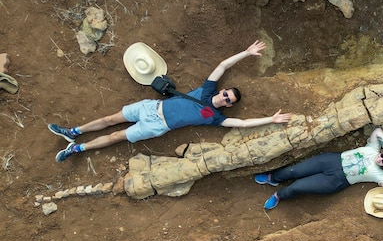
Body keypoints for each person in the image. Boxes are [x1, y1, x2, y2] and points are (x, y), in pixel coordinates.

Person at [49, 41, 292, 162]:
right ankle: (73, 131)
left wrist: (271, 119)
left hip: (157, 126)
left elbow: (242, 123)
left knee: (116, 137)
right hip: (150, 107)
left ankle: (77, 148)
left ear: (228, 104)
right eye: (226, 92)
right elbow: (222, 66)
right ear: (223, 90)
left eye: (228, 99)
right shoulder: (207, 90)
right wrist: (246, 53)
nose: (224, 96)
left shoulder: (216, 117)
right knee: (109, 119)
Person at [254, 127, 383, 210]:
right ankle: (272, 178)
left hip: (335, 180)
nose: (379, 159)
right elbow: (378, 131)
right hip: (331, 160)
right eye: (382, 155)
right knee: (294, 170)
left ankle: (278, 195)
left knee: (297, 187)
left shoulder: (378, 175)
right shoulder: (373, 148)